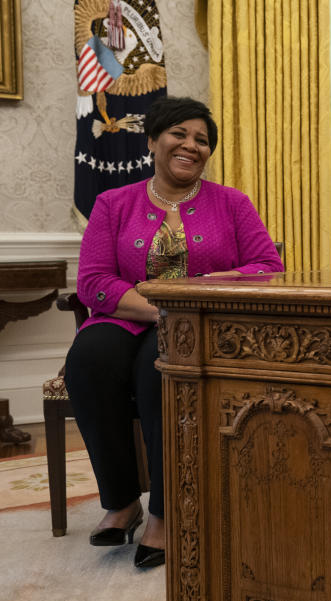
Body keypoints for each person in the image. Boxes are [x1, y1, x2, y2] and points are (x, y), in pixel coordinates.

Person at [64, 97, 284, 568]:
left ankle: (164, 514)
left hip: (199, 326)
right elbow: (94, 281)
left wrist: (201, 292)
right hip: (129, 315)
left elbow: (268, 266)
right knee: (89, 358)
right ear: (153, 141)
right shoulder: (112, 203)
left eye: (202, 140)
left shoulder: (232, 203)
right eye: (179, 134)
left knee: (160, 368)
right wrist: (161, 311)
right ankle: (121, 503)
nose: (191, 145)